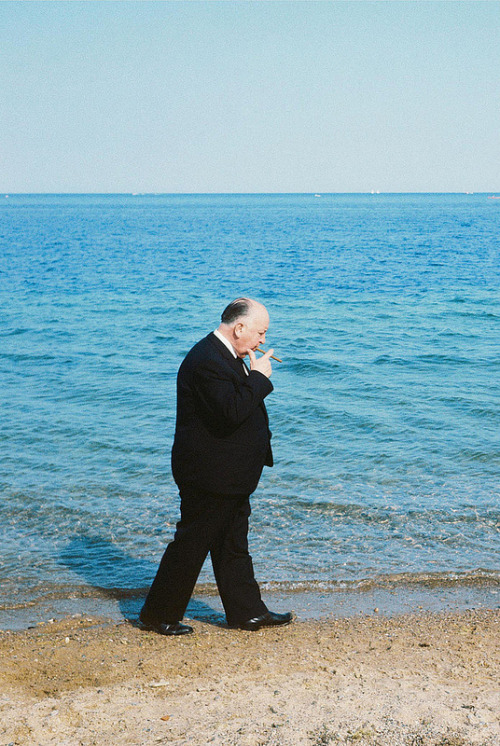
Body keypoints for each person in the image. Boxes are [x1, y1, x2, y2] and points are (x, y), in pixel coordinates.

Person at [139, 297, 292, 636]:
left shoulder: (227, 354)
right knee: (192, 544)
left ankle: (247, 613)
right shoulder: (206, 360)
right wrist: (259, 378)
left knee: (232, 542)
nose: (263, 341)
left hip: (229, 473)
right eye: (260, 333)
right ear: (239, 328)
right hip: (209, 475)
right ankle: (156, 614)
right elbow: (230, 413)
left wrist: (252, 375)